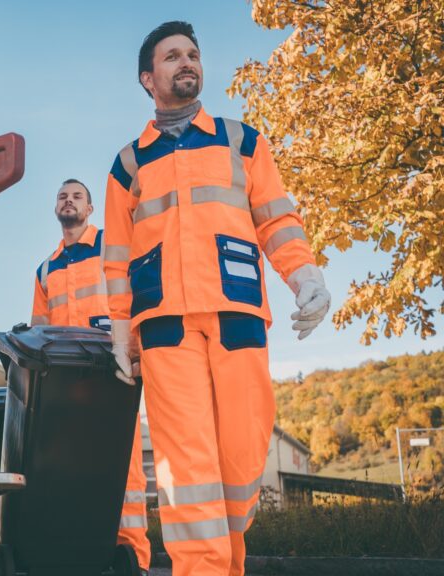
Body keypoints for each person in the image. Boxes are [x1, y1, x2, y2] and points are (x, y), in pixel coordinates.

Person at [102, 21, 332, 576]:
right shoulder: (128, 164)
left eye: (193, 55)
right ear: (147, 78)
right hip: (165, 330)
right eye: (172, 56)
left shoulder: (242, 140)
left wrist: (305, 276)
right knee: (186, 470)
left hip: (237, 318)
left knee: (242, 459)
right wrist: (117, 330)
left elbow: (276, 218)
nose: (187, 62)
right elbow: (115, 257)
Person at [31, 178, 151, 574]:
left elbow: (136, 295)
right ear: (55, 207)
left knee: (125, 469)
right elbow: (38, 329)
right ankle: (77, 554)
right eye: (62, 195)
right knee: (71, 467)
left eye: (76, 196)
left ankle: (132, 557)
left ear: (90, 209)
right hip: (66, 381)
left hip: (112, 369)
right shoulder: (45, 269)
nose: (69, 201)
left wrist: (135, 350)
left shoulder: (110, 248)